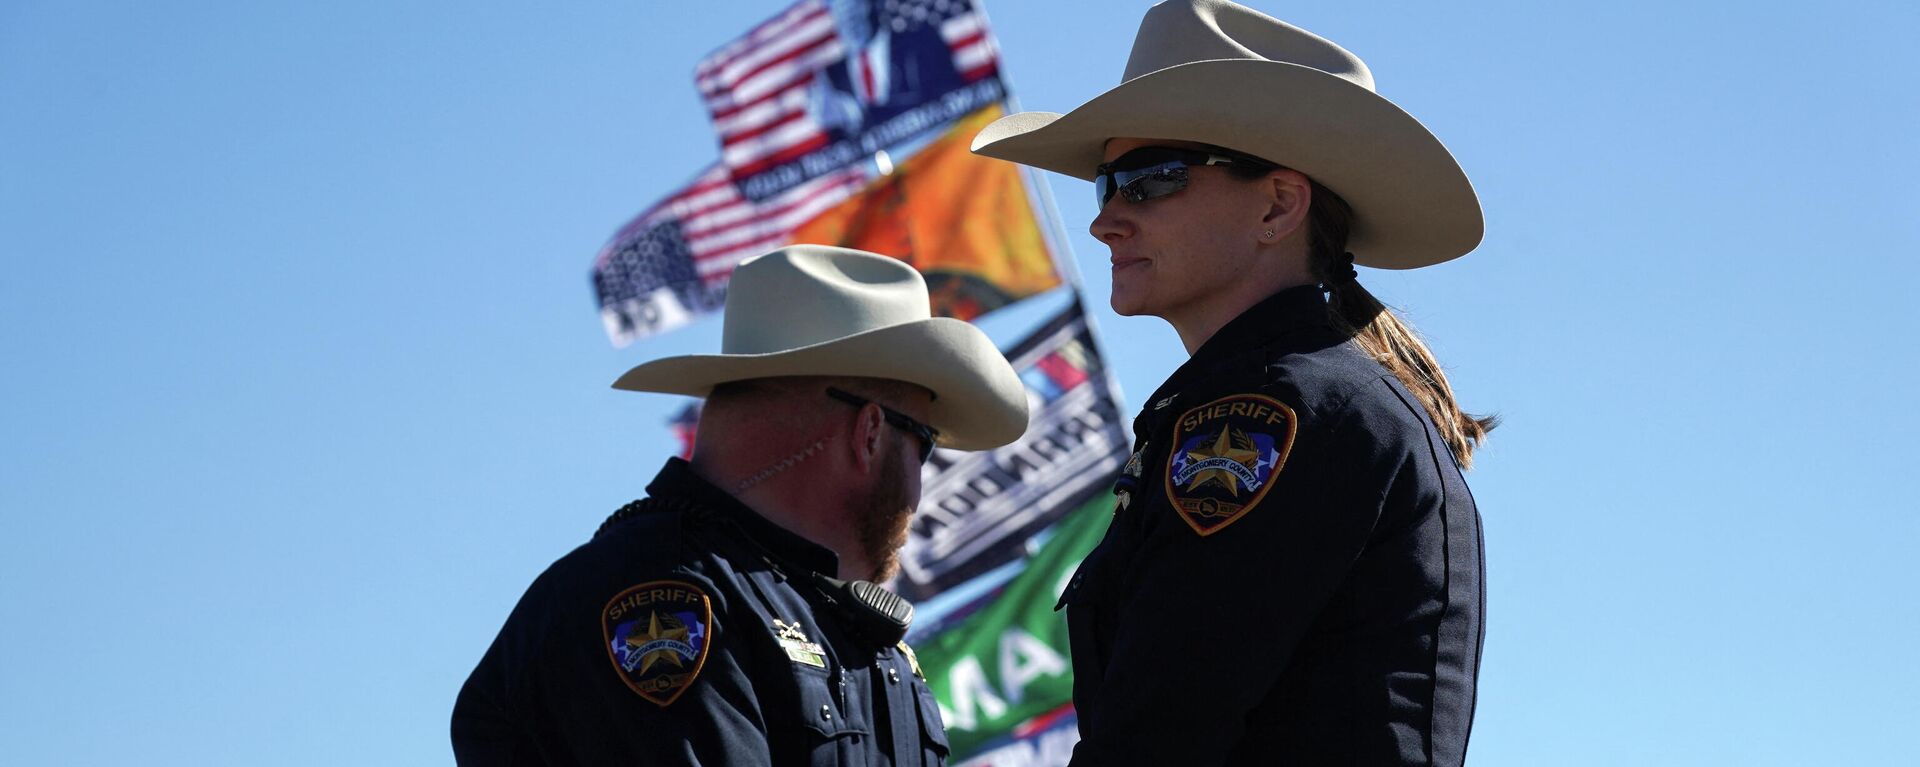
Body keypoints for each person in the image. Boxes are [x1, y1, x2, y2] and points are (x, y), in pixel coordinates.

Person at [970, 1, 1496, 764]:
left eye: (1149, 181)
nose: (1106, 221)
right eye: (1105, 186)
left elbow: (1161, 730)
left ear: (1278, 205)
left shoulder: (1270, 412)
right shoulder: (1314, 398)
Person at [451, 245, 1029, 766]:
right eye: (923, 443)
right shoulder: (661, 598)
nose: (920, 485)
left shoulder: (854, 638)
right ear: (871, 434)